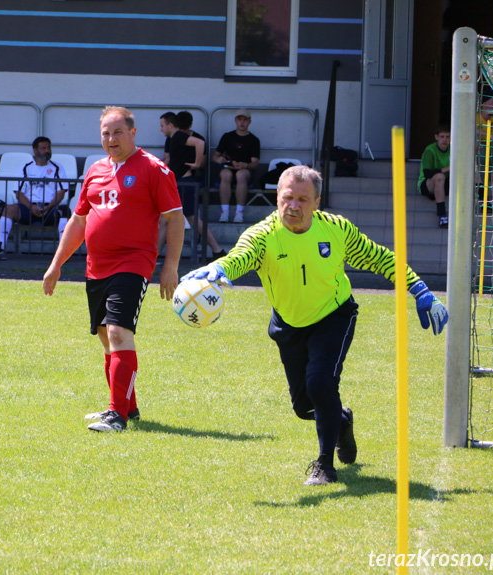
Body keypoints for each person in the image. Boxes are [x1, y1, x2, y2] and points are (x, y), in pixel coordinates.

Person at [182, 166, 448, 484]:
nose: (293, 205)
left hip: (334, 314)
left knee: (321, 383)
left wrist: (419, 289)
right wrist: (219, 268)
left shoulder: (337, 230)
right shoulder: (262, 236)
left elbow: (380, 258)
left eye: (303, 199)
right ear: (277, 198)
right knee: (304, 406)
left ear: (317, 202)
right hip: (289, 323)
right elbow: (242, 257)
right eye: (287, 198)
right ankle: (342, 421)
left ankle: (325, 466)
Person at [43, 106, 185, 433]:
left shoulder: (154, 169)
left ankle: (116, 415)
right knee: (107, 339)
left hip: (134, 262)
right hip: (96, 267)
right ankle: (128, 408)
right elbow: (79, 222)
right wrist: (56, 265)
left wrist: (171, 267)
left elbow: (175, 218)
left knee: (120, 332)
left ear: (133, 133)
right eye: (106, 133)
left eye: (118, 132)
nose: (111, 139)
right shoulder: (94, 171)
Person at [161, 113, 227, 259]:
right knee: (173, 219)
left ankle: (217, 250)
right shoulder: (173, 139)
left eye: (162, 125)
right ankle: (217, 250)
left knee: (188, 219)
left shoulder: (178, 136)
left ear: (170, 125)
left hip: (184, 183)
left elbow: (200, 143)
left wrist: (197, 163)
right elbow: (170, 159)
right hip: (179, 182)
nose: (161, 129)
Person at [0, 137, 69, 260]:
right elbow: (18, 192)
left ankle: (62, 252)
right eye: (43, 148)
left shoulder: (57, 168)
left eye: (49, 147)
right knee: (9, 209)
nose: (47, 150)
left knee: (64, 211)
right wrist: (31, 207)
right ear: (35, 150)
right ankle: (1, 247)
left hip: (50, 208)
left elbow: (61, 192)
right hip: (28, 208)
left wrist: (48, 207)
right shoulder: (26, 168)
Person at [212, 108, 260, 223]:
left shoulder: (254, 140)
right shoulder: (227, 136)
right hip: (228, 168)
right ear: (235, 121)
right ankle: (225, 212)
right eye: (239, 119)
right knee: (225, 174)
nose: (242, 122)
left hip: (245, 170)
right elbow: (215, 156)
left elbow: (255, 163)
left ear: (249, 121)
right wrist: (219, 159)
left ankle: (239, 213)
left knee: (241, 175)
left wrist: (246, 165)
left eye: (245, 120)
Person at [417, 125, 450, 229]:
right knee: (439, 177)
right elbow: (427, 173)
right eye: (442, 137)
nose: (445, 140)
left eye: (448, 137)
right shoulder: (430, 151)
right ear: (436, 137)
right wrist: (446, 169)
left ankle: (483, 200)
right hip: (427, 184)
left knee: (472, 169)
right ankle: (442, 215)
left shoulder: (453, 149)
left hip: (446, 181)